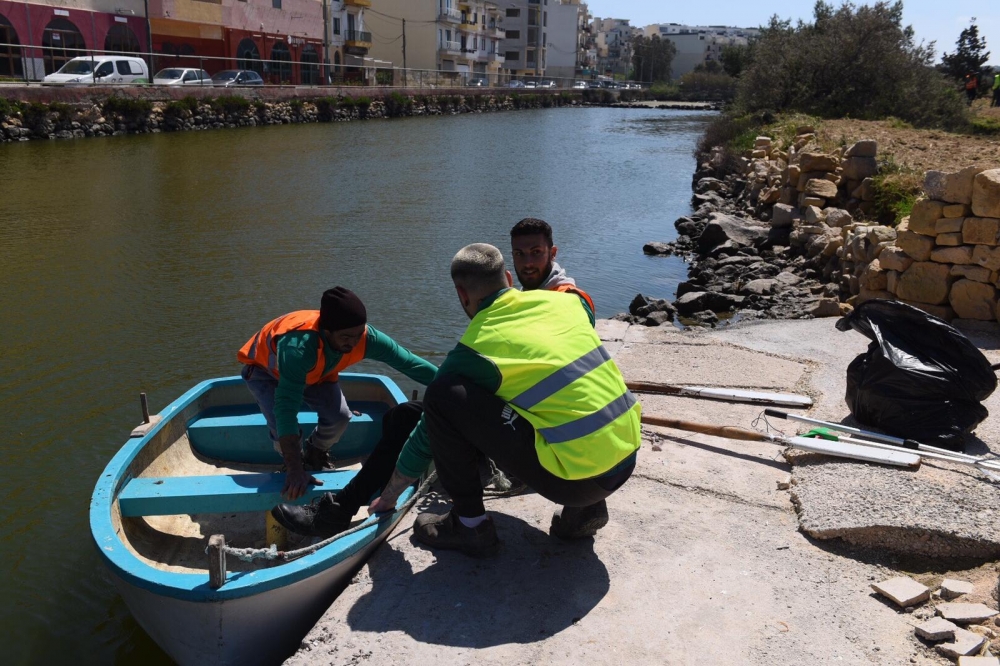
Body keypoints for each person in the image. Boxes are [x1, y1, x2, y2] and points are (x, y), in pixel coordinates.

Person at [374, 243, 640, 556]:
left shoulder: (476, 348)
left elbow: (425, 435)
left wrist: (389, 496)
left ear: (462, 294)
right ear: (509, 279)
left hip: (579, 481)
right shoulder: (564, 303)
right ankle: (585, 511)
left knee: (443, 395)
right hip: (626, 455)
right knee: (556, 397)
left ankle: (469, 526)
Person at [238, 287, 437, 501]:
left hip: (318, 372)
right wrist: (295, 469)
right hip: (266, 372)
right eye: (345, 337)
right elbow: (286, 408)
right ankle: (291, 463)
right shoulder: (299, 347)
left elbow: (409, 363)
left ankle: (315, 452)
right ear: (326, 331)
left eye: (358, 334)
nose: (353, 343)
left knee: (340, 416)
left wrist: (452, 385)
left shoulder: (364, 337)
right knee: (281, 426)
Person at [510, 217, 595, 319]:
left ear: (552, 253)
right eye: (519, 253)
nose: (528, 263)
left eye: (536, 252)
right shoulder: (516, 299)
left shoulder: (572, 299)